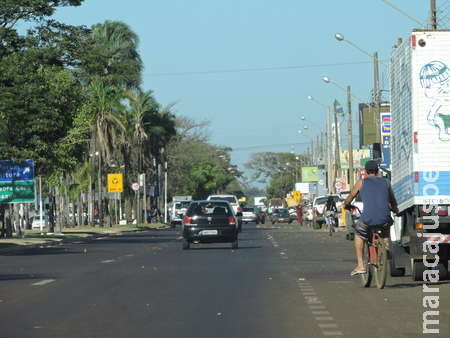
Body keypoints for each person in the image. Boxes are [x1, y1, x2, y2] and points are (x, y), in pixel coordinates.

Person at [344, 160, 399, 276]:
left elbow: (349, 198)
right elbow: (393, 201)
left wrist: (346, 204)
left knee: (359, 234)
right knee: (386, 223)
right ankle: (386, 246)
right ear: (378, 171)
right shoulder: (386, 182)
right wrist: (396, 210)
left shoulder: (361, 182)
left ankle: (360, 265)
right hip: (384, 218)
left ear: (365, 171)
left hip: (368, 219)